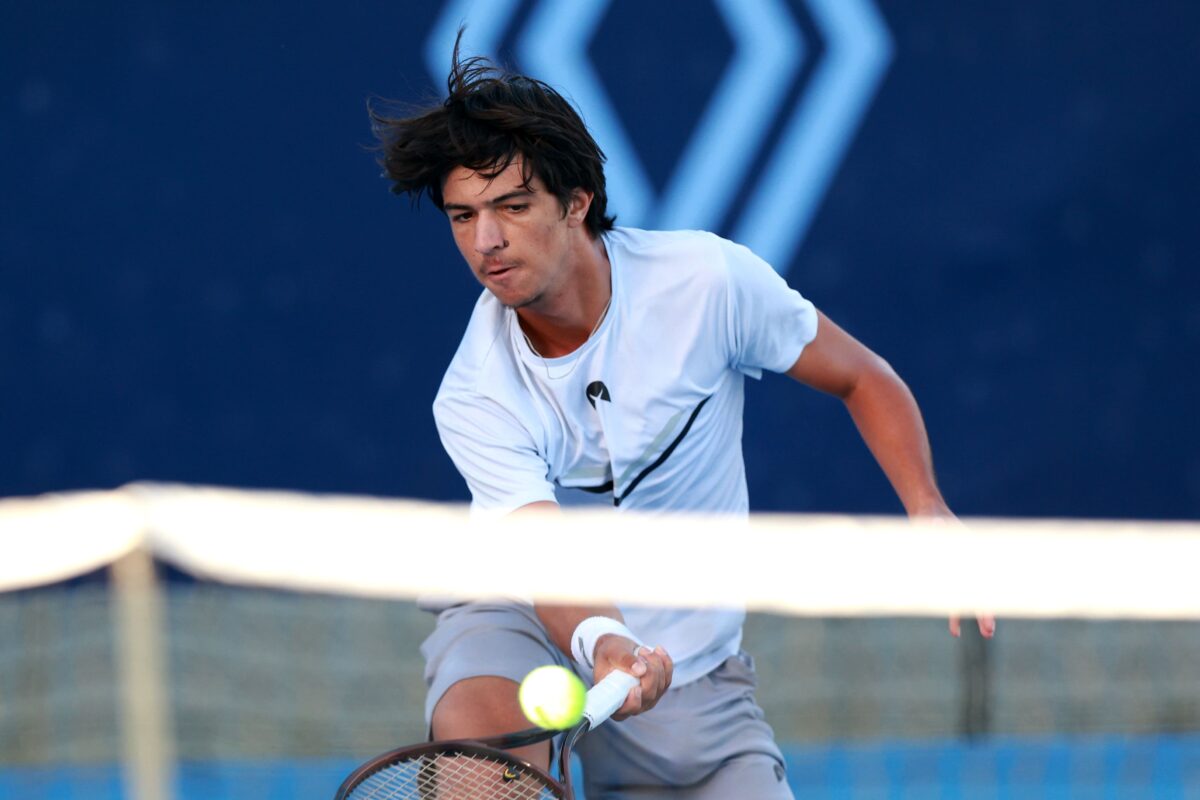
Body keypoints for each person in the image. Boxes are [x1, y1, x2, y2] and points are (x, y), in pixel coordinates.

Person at [371, 36, 995, 800]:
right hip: (523, 625)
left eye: (510, 206)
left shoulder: (708, 284)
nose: (486, 241)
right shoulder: (474, 394)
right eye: (463, 217)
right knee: (479, 780)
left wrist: (926, 507)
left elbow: (864, 378)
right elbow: (541, 557)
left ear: (577, 203)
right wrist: (607, 642)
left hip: (696, 679)